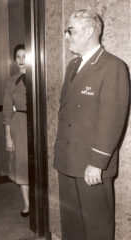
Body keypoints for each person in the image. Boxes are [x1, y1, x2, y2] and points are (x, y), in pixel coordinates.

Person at [54, 9, 129, 240]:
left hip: (91, 164)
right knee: (72, 226)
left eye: (71, 31)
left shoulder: (113, 67)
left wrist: (97, 162)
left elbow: (112, 119)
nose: (66, 36)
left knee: (97, 229)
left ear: (88, 32)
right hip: (68, 159)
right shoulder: (72, 66)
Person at [3, 44, 29, 217]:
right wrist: (8, 137)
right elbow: (6, 111)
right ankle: (28, 204)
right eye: (18, 56)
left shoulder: (39, 77)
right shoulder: (12, 81)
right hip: (19, 126)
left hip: (37, 124)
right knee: (22, 166)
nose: (21, 60)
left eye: (24, 56)